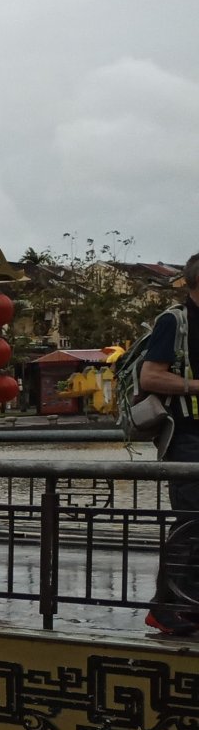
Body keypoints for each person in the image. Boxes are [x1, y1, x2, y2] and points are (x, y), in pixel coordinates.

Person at [142, 253, 199, 635]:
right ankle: (164, 608)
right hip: (188, 437)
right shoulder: (174, 321)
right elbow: (150, 377)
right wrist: (194, 386)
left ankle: (190, 605)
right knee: (191, 523)